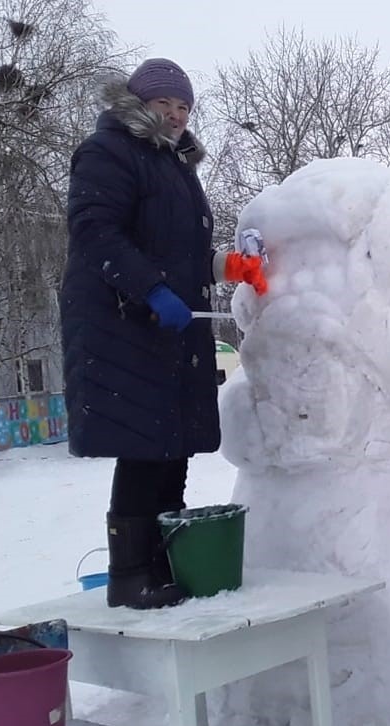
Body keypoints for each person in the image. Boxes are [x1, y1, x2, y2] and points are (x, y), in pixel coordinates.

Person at [61, 58, 266, 610]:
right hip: (122, 323)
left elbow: (180, 253)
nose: (176, 116)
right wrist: (149, 290)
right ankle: (130, 575)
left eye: (183, 107)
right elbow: (94, 231)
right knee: (144, 446)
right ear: (138, 104)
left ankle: (160, 563)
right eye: (164, 105)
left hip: (163, 328)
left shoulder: (175, 166)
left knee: (170, 447)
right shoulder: (110, 152)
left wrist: (230, 268)